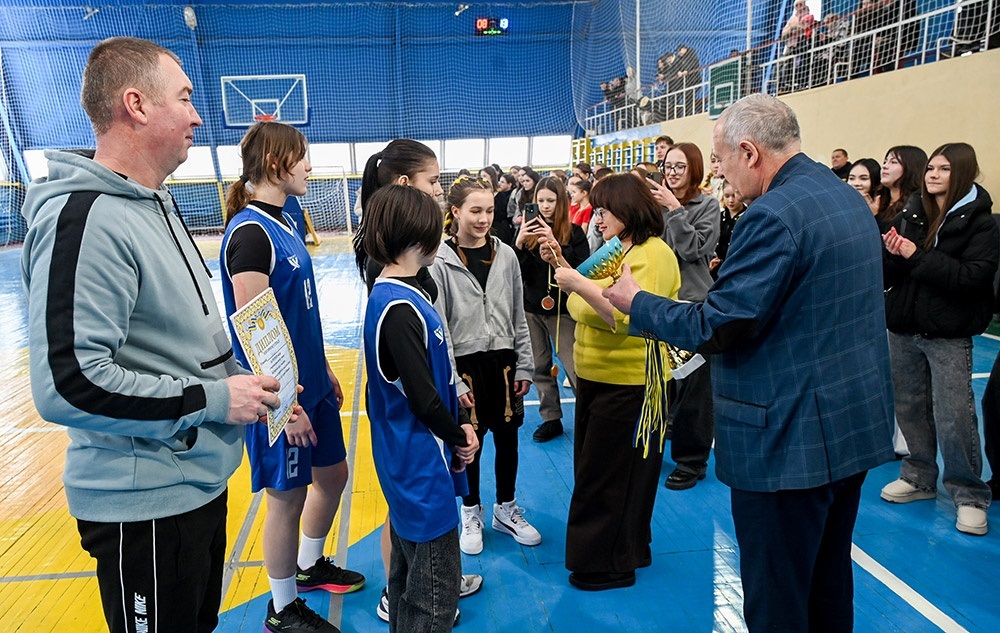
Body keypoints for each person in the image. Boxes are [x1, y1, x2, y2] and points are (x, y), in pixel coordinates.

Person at [20, 37, 288, 633]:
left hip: (191, 485)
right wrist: (215, 399)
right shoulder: (87, 217)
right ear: (137, 105)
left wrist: (236, 380)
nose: (197, 115)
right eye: (186, 98)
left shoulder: (152, 204)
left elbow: (176, 339)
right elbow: (69, 383)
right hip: (143, 505)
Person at [603, 94, 895, 632]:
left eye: (720, 160)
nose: (718, 172)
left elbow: (720, 324)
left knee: (777, 596)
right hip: (849, 426)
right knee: (828, 583)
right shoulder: (844, 196)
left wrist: (637, 303)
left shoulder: (772, 216)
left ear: (749, 151)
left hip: (790, 442)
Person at [220, 121, 365, 633]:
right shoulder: (251, 234)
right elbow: (256, 329)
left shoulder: (285, 219)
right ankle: (281, 609)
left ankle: (307, 567)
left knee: (334, 475)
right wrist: (288, 407)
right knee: (287, 497)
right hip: (282, 396)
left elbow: (298, 311)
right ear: (277, 164)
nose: (310, 166)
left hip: (311, 382)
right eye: (302, 157)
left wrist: (321, 367)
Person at [350, 139, 483, 623]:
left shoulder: (401, 292)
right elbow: (425, 400)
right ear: (417, 238)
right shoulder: (399, 306)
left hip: (413, 459)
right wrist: (460, 432)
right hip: (418, 462)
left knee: (409, 581)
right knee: (433, 596)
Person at [552, 174, 680, 591]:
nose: (598, 218)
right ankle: (623, 550)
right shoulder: (615, 250)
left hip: (631, 383)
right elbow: (582, 302)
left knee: (610, 478)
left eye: (604, 210)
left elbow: (630, 318)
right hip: (595, 378)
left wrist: (581, 287)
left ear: (627, 210)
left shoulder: (654, 254)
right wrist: (586, 290)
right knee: (603, 473)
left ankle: (607, 564)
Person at [880, 142, 997, 536]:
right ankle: (918, 476)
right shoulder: (912, 211)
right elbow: (897, 271)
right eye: (931, 167)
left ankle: (969, 494)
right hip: (904, 327)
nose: (932, 174)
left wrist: (913, 255)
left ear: (961, 173)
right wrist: (891, 255)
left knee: (954, 416)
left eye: (943, 169)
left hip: (948, 332)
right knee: (909, 408)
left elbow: (969, 279)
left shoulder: (983, 224)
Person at [429, 176, 540, 555]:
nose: (483, 218)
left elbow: (517, 314)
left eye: (489, 210)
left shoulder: (506, 255)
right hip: (465, 366)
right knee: (468, 444)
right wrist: (453, 382)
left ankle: (505, 509)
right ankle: (470, 510)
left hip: (505, 362)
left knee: (509, 438)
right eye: (475, 210)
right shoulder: (439, 261)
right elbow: (439, 325)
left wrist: (525, 364)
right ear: (455, 211)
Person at [648, 142, 720, 491]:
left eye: (679, 166)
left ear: (694, 169)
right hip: (657, 306)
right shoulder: (653, 205)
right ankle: (654, 441)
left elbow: (694, 250)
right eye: (667, 165)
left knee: (694, 391)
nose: (672, 172)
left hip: (691, 308)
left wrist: (675, 209)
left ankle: (692, 461)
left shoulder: (707, 205)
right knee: (658, 384)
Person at [515, 177, 590, 442]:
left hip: (564, 311)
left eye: (550, 200)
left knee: (574, 365)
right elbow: (516, 273)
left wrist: (558, 248)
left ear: (561, 203)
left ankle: (590, 416)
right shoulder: (527, 234)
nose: (545, 206)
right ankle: (551, 418)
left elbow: (582, 271)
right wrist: (520, 245)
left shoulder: (576, 234)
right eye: (540, 201)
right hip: (532, 309)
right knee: (539, 366)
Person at [877, 145, 927, 229]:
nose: (884, 166)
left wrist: (875, 217)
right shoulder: (878, 199)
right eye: (885, 162)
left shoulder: (918, 204)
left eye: (893, 162)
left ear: (911, 167)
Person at [709, 180, 746, 279]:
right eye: (727, 196)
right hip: (717, 267)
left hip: (737, 267)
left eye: (734, 196)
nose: (730, 200)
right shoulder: (719, 216)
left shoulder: (747, 216)